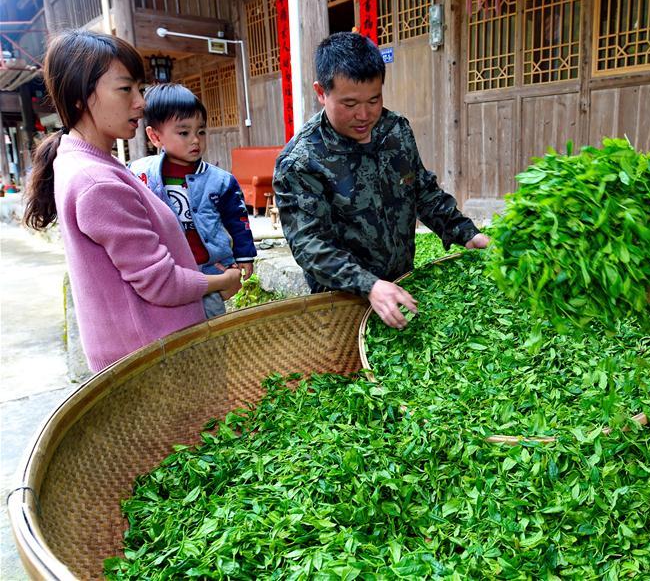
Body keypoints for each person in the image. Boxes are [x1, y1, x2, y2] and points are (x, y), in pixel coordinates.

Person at [23, 30, 242, 373]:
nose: (140, 102)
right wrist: (222, 282)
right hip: (153, 358)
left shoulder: (88, 162)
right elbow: (161, 282)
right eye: (126, 89)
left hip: (149, 348)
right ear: (81, 97)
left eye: (139, 89)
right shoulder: (97, 182)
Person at [273, 32, 489, 329]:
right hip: (343, 300)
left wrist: (466, 233)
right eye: (349, 104)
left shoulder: (395, 131)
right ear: (321, 92)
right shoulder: (301, 162)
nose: (364, 115)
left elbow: (423, 191)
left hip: (401, 288)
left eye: (374, 100)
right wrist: (370, 285)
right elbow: (310, 245)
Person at [129, 84, 257, 318]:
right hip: (171, 272)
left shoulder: (220, 181)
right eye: (184, 132)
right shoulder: (140, 175)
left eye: (201, 131)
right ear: (155, 136)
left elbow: (237, 218)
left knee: (211, 327)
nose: (195, 140)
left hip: (211, 269)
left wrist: (244, 255)